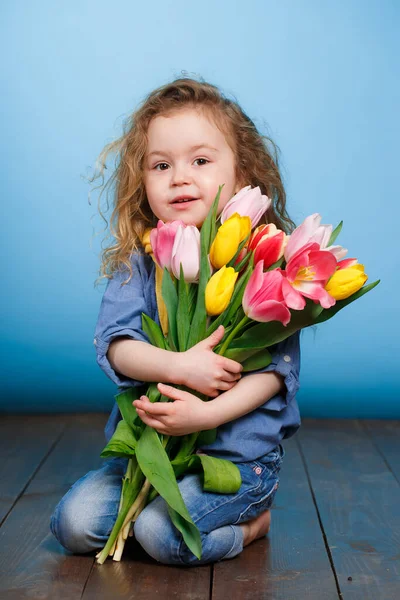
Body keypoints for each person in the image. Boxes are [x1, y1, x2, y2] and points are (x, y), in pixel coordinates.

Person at [50, 76, 301, 565]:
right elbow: (118, 345)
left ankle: (251, 526)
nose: (180, 177)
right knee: (73, 526)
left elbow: (274, 373)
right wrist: (178, 366)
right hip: (149, 457)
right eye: (161, 165)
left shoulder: (265, 262)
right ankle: (157, 505)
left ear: (245, 171)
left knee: (163, 536)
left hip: (235, 461)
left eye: (201, 161)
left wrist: (205, 415)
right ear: (142, 182)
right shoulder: (141, 262)